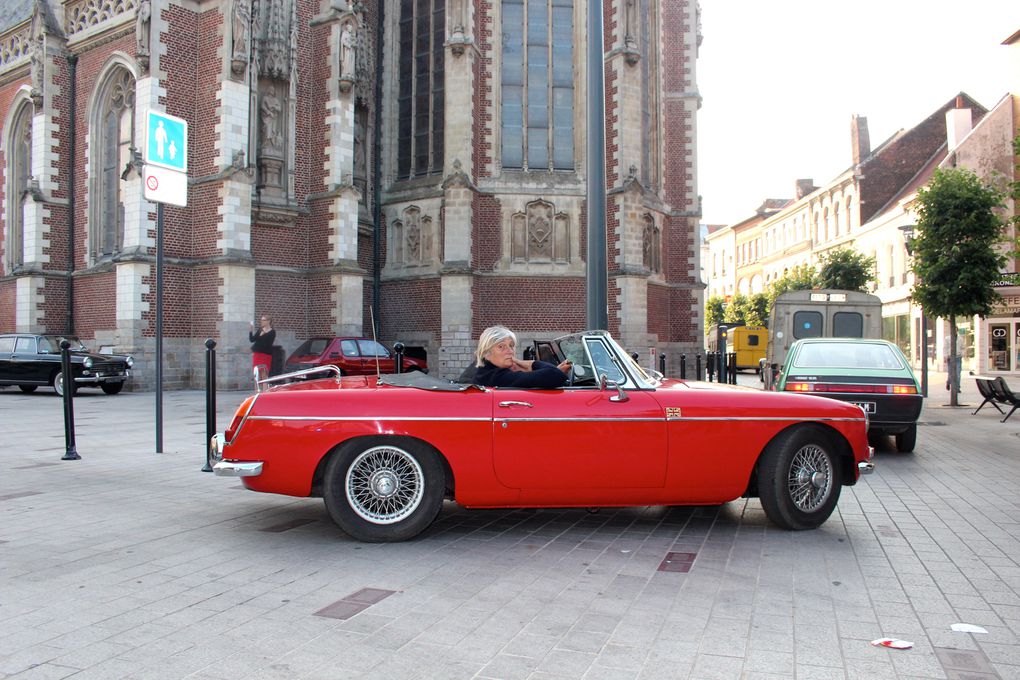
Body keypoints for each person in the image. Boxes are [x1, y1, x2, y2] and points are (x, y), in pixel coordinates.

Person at [473, 326, 571, 388]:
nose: (510, 351)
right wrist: (530, 364)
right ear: (486, 353)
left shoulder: (485, 373)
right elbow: (556, 375)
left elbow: (552, 374)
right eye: (501, 347)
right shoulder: (496, 376)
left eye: (511, 346)